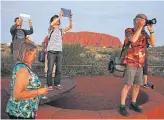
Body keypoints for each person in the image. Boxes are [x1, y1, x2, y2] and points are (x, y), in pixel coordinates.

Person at [119, 14, 155, 117]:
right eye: (143, 20)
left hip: (140, 63)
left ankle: (133, 103)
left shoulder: (144, 33)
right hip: (130, 62)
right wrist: (139, 27)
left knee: (137, 85)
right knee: (127, 85)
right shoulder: (129, 30)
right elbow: (133, 40)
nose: (145, 21)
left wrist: (151, 30)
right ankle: (122, 106)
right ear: (137, 21)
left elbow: (153, 43)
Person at [6, 42, 49, 119]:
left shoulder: (23, 66)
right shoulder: (23, 70)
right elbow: (18, 94)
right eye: (34, 53)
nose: (35, 56)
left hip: (23, 111)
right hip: (21, 113)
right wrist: (39, 91)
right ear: (27, 54)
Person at [47, 11, 73, 90]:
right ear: (53, 21)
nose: (57, 20)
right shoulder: (50, 29)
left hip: (59, 51)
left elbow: (70, 27)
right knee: (50, 69)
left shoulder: (61, 30)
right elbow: (52, 24)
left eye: (58, 20)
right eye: (55, 19)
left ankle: (57, 83)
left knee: (59, 69)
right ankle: (49, 85)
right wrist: (59, 16)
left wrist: (70, 18)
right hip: (51, 51)